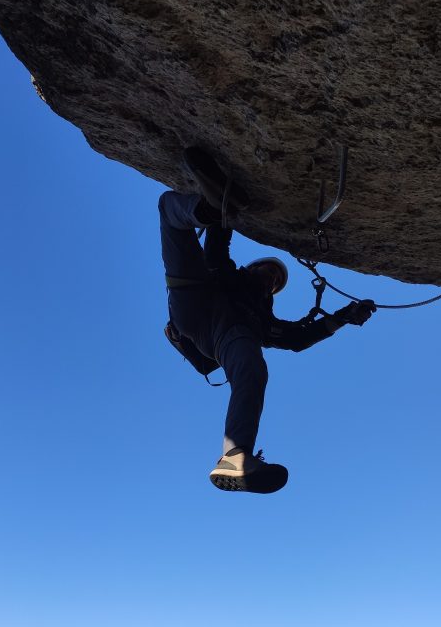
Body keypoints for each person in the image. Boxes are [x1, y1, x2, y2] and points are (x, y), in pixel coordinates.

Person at [160, 148, 376, 494]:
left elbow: (298, 339)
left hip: (217, 332)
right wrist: (223, 212)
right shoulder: (229, 275)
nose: (271, 279)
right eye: (268, 271)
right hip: (198, 299)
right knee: (169, 211)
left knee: (251, 365)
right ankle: (210, 206)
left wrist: (343, 318)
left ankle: (235, 456)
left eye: (276, 280)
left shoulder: (262, 321)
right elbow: (217, 246)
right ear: (251, 268)